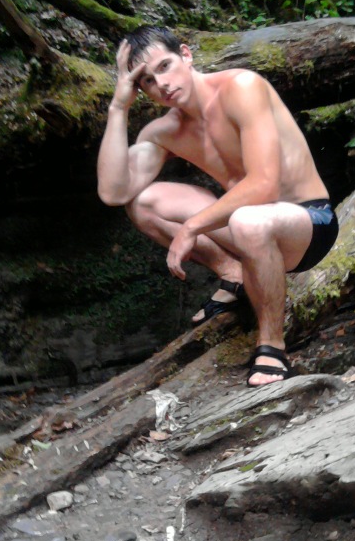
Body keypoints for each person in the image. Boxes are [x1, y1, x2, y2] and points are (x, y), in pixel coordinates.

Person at [97, 26, 338, 387]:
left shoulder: (240, 87)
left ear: (186, 55)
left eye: (165, 66)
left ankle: (273, 346)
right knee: (143, 202)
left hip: (307, 222)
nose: (161, 84)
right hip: (246, 228)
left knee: (247, 221)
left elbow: (264, 183)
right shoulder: (164, 131)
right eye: (147, 80)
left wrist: (192, 227)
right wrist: (118, 107)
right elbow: (114, 192)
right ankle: (234, 274)